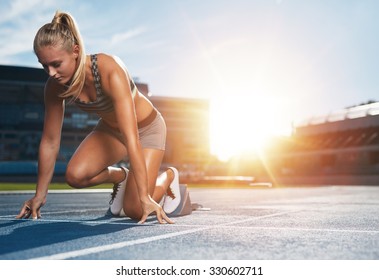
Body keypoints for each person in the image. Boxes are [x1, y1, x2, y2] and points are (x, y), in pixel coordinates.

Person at [16, 11, 182, 224]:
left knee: (134, 209)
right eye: (44, 65)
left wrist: (143, 196)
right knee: (74, 176)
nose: (51, 73)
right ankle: (122, 177)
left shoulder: (109, 68)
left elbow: (132, 138)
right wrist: (40, 194)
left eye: (56, 64)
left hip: (146, 129)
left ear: (75, 51)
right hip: (112, 130)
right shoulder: (54, 87)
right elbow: (49, 141)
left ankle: (168, 176)